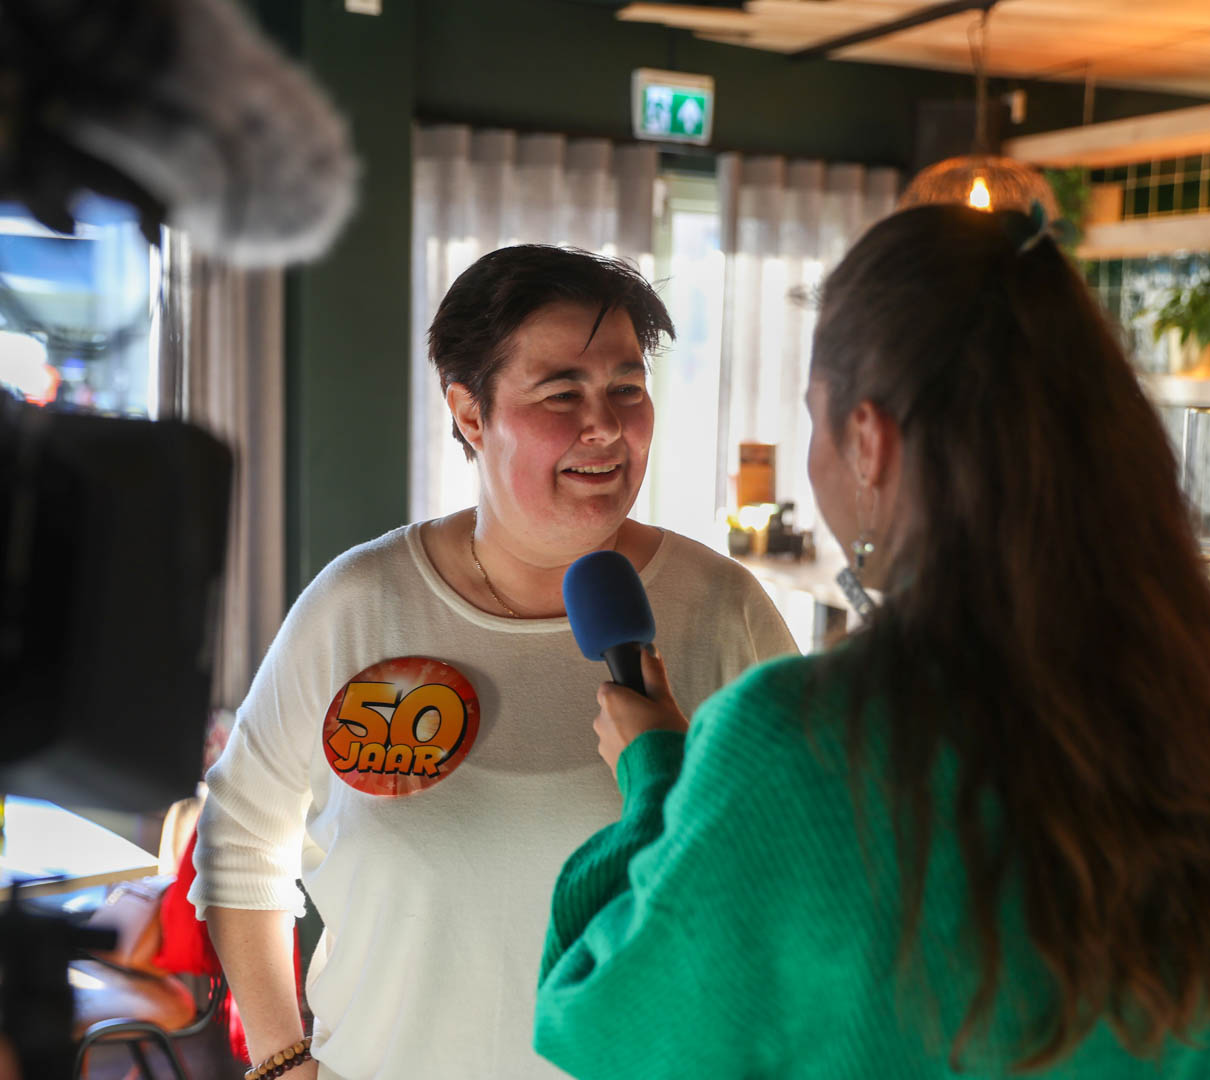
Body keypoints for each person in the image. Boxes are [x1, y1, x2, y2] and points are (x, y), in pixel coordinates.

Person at [534, 205, 1210, 1078]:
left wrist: (658, 782)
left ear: (868, 440)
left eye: (814, 420)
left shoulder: (800, 745)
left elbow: (594, 1020)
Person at [191, 244, 797, 1080]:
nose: (606, 426)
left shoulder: (723, 611)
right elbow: (239, 831)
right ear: (470, 415)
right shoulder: (360, 603)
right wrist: (280, 1057)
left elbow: (801, 883)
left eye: (627, 388)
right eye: (563, 394)